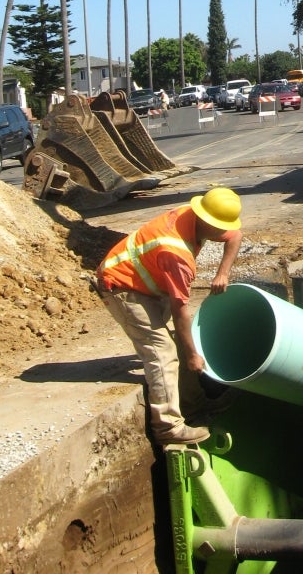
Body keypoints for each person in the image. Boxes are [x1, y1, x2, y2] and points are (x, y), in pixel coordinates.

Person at [95, 187, 243, 446]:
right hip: (122, 286)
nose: (223, 234)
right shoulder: (176, 253)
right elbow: (180, 310)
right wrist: (193, 355)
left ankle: (193, 405)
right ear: (206, 221)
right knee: (162, 351)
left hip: (148, 281)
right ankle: (168, 427)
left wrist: (223, 274)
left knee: (180, 344)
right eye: (219, 228)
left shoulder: (193, 216)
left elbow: (236, 235)